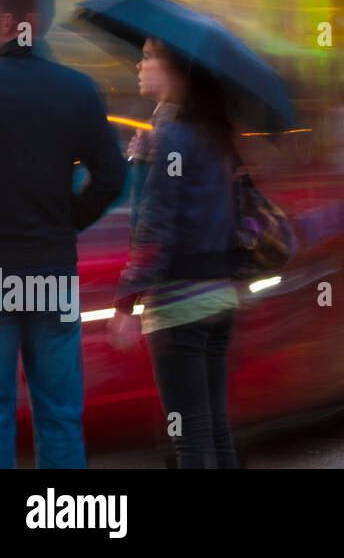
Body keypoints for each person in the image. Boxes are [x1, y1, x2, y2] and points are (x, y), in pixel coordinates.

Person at [0, 0, 127, 469]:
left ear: (12, 23)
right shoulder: (76, 90)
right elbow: (111, 176)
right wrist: (67, 222)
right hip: (52, 275)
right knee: (60, 413)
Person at [107, 37, 243, 468]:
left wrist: (126, 301)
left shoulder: (167, 133)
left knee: (189, 436)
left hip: (179, 302)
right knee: (214, 427)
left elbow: (156, 226)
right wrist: (144, 162)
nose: (139, 66)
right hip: (220, 296)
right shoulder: (211, 131)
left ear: (173, 71)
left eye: (148, 57)